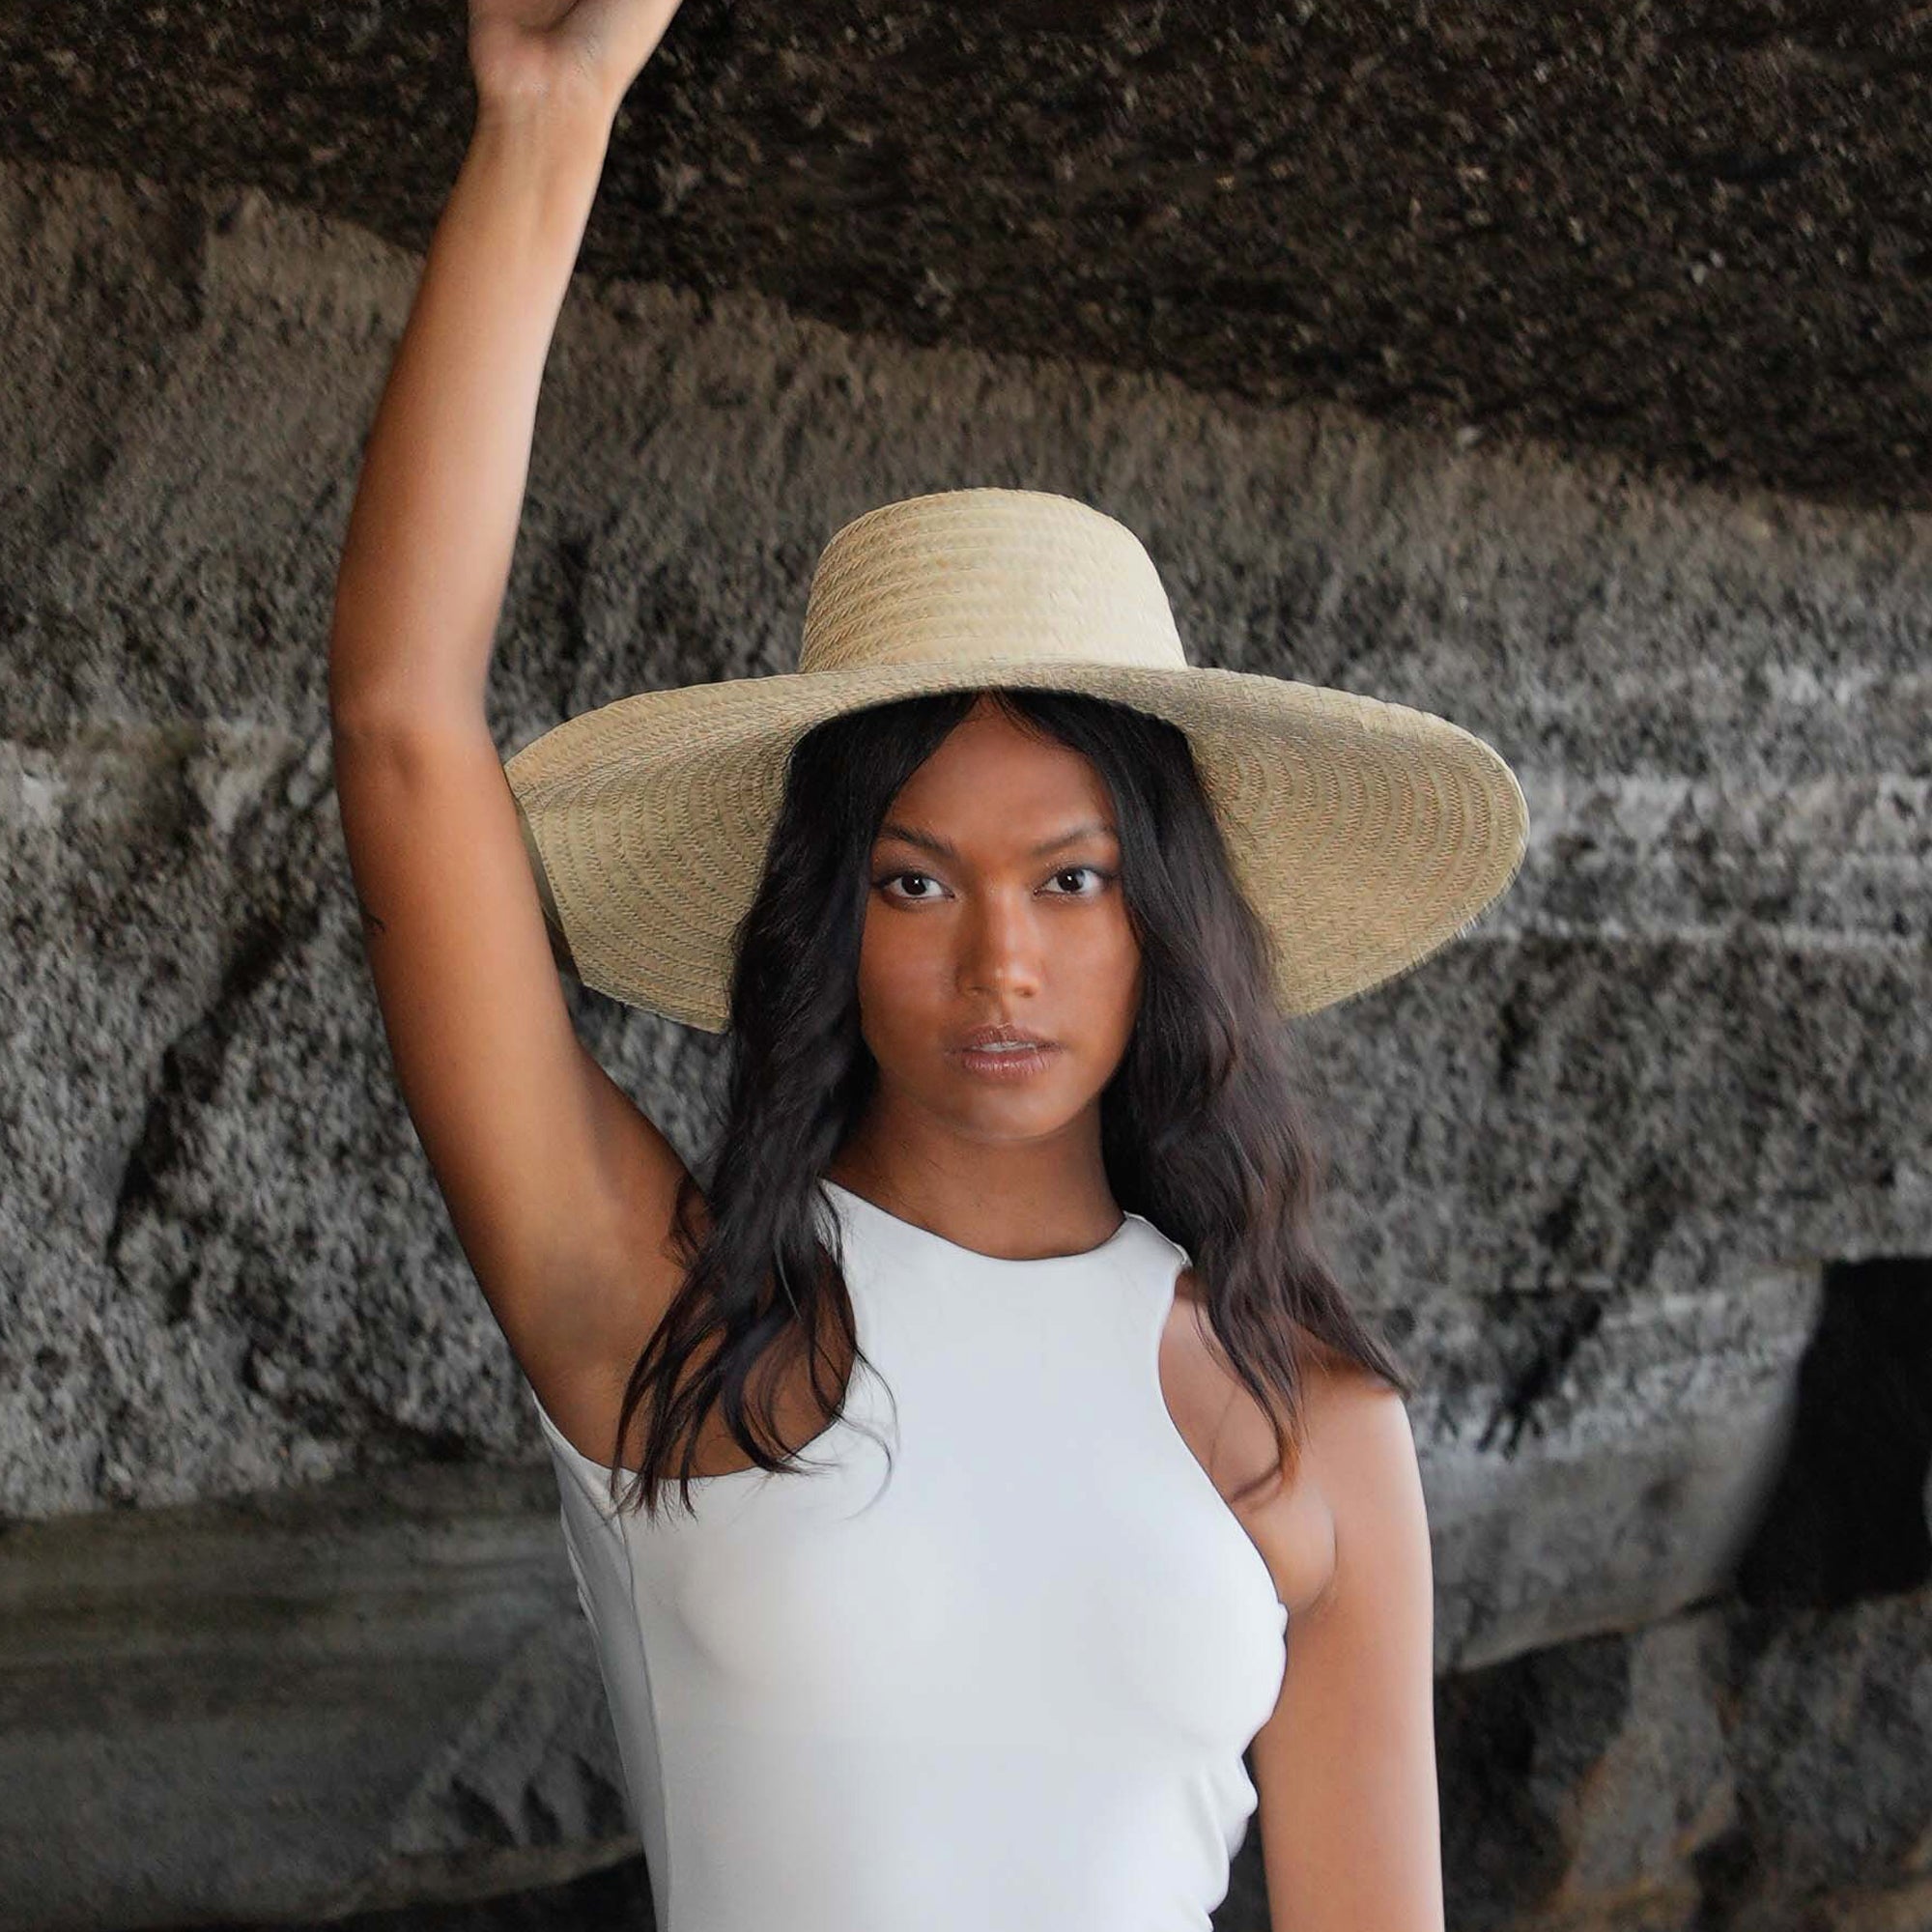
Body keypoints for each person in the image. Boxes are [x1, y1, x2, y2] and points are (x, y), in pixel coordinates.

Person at [326, 4, 1529, 1928]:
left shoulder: (1314, 1423)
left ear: (1164, 918)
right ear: (826, 917)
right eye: (912, 883)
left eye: (1068, 880)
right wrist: (543, 133)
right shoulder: (671, 1319)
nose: (999, 964)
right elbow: (402, 728)